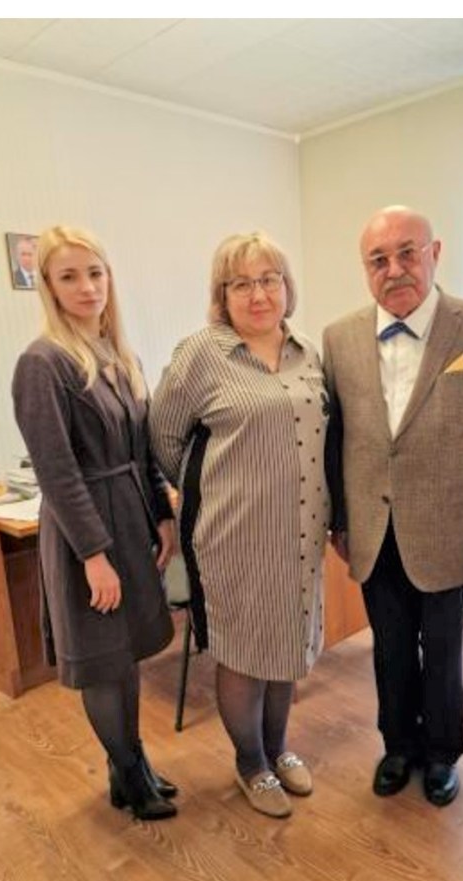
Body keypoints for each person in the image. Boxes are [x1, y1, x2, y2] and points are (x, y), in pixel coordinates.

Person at [323, 205, 463, 807]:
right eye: (378, 260)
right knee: (389, 648)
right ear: (365, 270)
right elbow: (337, 438)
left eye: (408, 253)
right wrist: (340, 520)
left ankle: (442, 754)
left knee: (444, 651)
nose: (395, 269)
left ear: (435, 253)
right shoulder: (339, 337)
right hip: (373, 527)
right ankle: (398, 746)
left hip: (447, 529)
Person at [150, 232, 328, 819]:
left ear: (286, 286)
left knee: (286, 646)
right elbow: (163, 438)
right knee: (244, 652)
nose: (259, 294)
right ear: (221, 295)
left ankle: (278, 749)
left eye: (269, 279)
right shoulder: (203, 354)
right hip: (234, 538)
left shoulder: (307, 351)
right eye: (242, 284)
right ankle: (251, 763)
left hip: (301, 535)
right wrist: (218, 490)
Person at [12, 225, 179, 821]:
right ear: (49, 287)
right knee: (104, 660)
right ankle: (131, 775)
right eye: (69, 276)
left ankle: (130, 766)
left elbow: (144, 449)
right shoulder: (42, 363)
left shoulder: (118, 355)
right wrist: (93, 555)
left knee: (126, 652)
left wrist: (162, 516)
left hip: (131, 520)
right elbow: (56, 473)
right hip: (86, 533)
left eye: (95, 272)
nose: (87, 287)